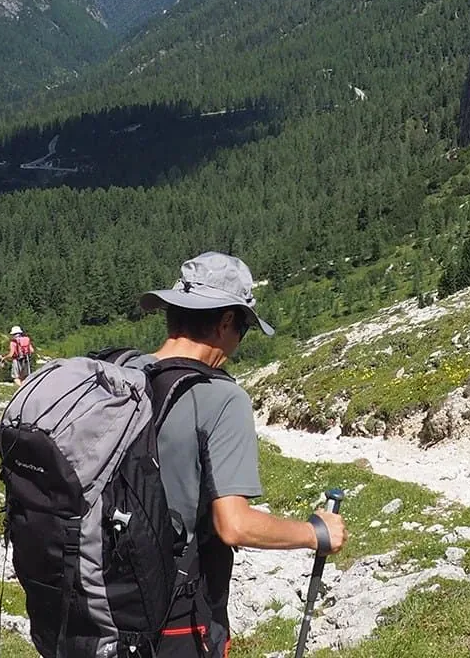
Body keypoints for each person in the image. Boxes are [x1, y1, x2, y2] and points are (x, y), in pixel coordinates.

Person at [130, 252, 349, 657]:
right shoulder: (220, 397)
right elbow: (234, 525)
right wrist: (317, 532)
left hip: (93, 603)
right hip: (175, 616)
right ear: (227, 321)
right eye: (244, 326)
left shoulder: (125, 376)